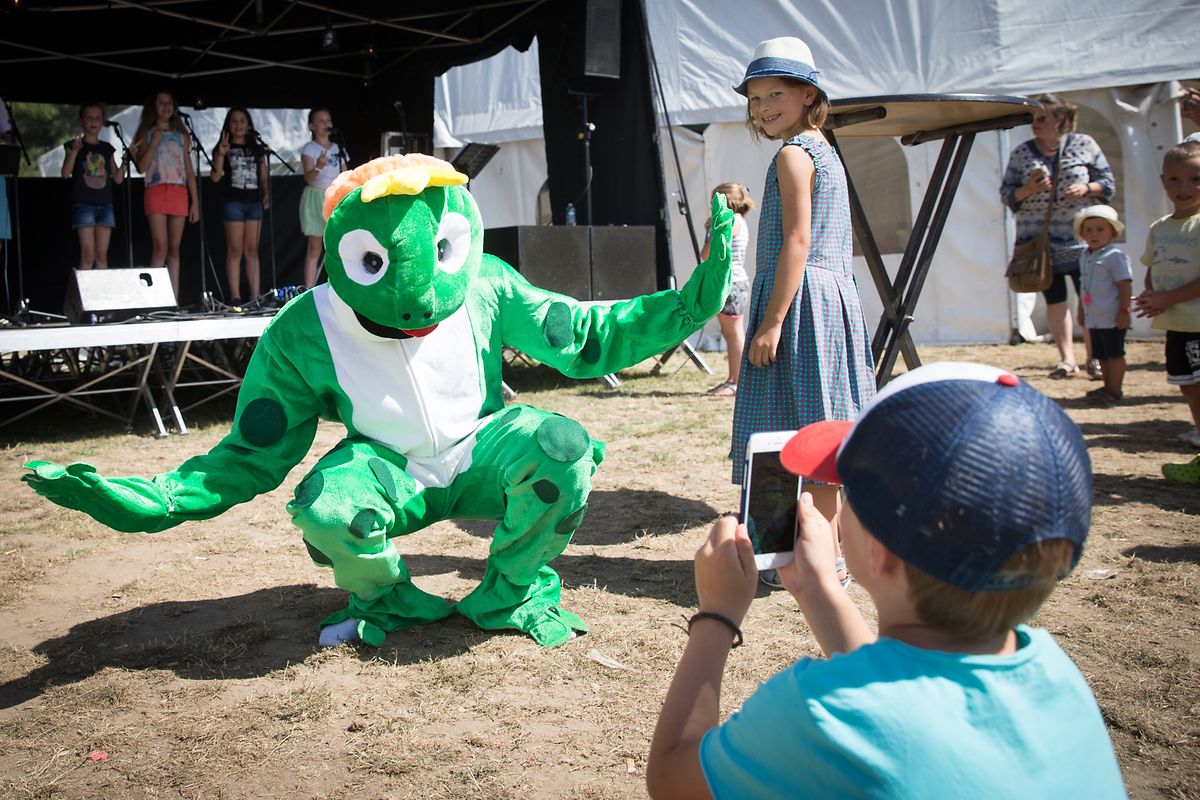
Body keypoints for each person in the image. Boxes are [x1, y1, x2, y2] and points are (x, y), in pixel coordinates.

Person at [646, 362, 1127, 800]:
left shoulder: (825, 712)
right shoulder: (1056, 676)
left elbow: (670, 779)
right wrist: (818, 590)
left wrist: (717, 615)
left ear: (881, 554)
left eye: (847, 490)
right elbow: (896, 690)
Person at [727, 38, 875, 586]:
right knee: (822, 424)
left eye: (775, 93)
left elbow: (796, 241)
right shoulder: (824, 151)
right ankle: (821, 553)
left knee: (786, 428)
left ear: (808, 93)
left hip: (800, 302)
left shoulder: (793, 153)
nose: (763, 106)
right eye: (756, 96)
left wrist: (770, 323)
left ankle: (792, 555)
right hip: (830, 299)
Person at [1001, 94, 1115, 380]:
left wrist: (1086, 189)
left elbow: (1108, 183)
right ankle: (1067, 359)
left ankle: (1094, 358)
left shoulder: (1083, 144)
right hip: (1039, 240)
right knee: (1055, 299)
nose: (1034, 125)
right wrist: (1028, 189)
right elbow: (1007, 194)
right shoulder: (1022, 152)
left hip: (1080, 237)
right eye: (1031, 119)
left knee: (1087, 297)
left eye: (1040, 118)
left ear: (1059, 119)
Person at [1135, 140, 1200, 481]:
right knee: (1188, 385)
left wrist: (1168, 298)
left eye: (1195, 179)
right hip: (1177, 323)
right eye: (1175, 179)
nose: (1184, 188)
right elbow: (1152, 266)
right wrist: (1151, 294)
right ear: (1163, 181)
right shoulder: (1159, 228)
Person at [130, 89, 199, 301]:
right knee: (160, 246)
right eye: (162, 103)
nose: (166, 107)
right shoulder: (146, 133)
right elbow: (140, 166)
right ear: (154, 106)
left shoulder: (182, 136)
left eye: (170, 103)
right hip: (156, 190)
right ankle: (155, 298)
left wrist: (194, 201)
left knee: (174, 249)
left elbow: (188, 170)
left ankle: (173, 298)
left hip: (178, 192)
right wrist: (153, 142)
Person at [211, 106, 269, 305]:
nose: (238, 125)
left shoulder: (257, 148)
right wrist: (221, 154)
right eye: (234, 121)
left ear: (248, 124)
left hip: (254, 202)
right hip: (232, 202)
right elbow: (215, 177)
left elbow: (263, 175)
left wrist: (266, 193)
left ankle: (255, 295)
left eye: (242, 121)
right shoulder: (223, 147)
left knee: (252, 250)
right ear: (228, 125)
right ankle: (235, 296)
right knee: (235, 249)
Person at [1075, 205, 1132, 404]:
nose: (1094, 234)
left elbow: (1125, 285)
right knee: (1102, 355)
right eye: (1088, 229)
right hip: (1094, 317)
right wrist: (1081, 310)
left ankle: (1115, 390)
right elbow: (1083, 287)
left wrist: (1124, 311)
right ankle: (1107, 387)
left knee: (1114, 354)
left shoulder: (1115, 256)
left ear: (1113, 232)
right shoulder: (1085, 256)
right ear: (1081, 233)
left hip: (1111, 315)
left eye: (1100, 229)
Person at [701, 182, 753, 397]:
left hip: (731, 284)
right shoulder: (739, 220)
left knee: (733, 335)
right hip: (737, 282)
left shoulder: (729, 222)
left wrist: (710, 231)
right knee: (732, 334)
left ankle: (735, 382)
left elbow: (707, 254)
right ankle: (733, 380)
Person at [61, 101, 124, 270]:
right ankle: (84, 295)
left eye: (97, 118)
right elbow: (65, 174)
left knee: (102, 255)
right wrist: (74, 151)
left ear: (103, 122)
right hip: (84, 204)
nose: (93, 122)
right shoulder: (73, 145)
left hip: (105, 205)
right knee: (88, 254)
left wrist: (126, 160)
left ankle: (101, 295)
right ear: (81, 120)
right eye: (89, 118)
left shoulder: (107, 148)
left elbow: (118, 178)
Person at [299, 108, 346, 288]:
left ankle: (338, 287)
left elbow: (346, 173)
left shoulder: (337, 148)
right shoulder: (309, 148)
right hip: (315, 196)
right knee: (315, 247)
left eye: (328, 120)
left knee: (337, 246)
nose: (326, 124)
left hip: (334, 196)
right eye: (321, 120)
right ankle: (309, 289)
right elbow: (308, 177)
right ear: (312, 126)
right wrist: (318, 166)